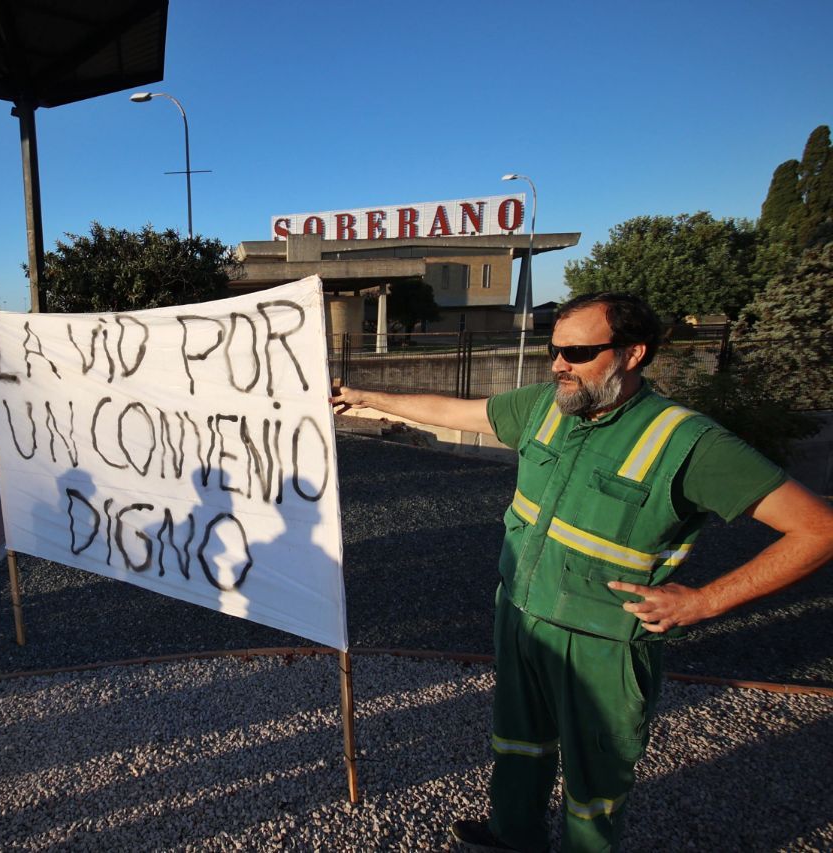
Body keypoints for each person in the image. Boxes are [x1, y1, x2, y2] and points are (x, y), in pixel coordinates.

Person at [330, 291, 833, 852]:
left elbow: (819, 528)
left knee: (595, 781)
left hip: (604, 644)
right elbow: (458, 412)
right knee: (518, 743)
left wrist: (704, 601)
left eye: (578, 351)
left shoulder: (687, 441)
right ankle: (512, 835)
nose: (558, 365)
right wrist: (363, 396)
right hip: (520, 618)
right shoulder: (547, 404)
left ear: (633, 353)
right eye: (555, 349)